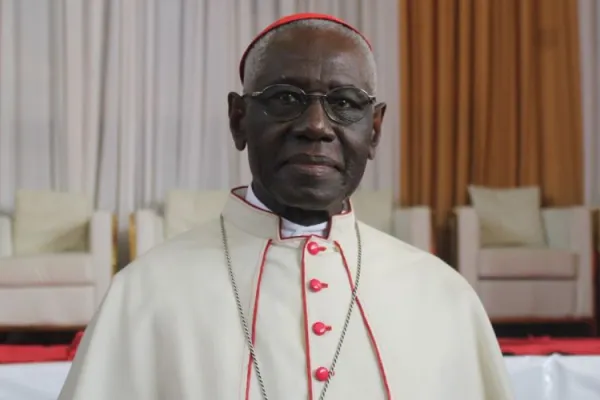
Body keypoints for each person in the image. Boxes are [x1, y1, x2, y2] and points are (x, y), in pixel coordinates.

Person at [58, 13, 513, 400]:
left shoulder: (443, 298)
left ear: (374, 131)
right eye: (285, 99)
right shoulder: (144, 296)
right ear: (239, 120)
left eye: (344, 103)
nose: (315, 126)